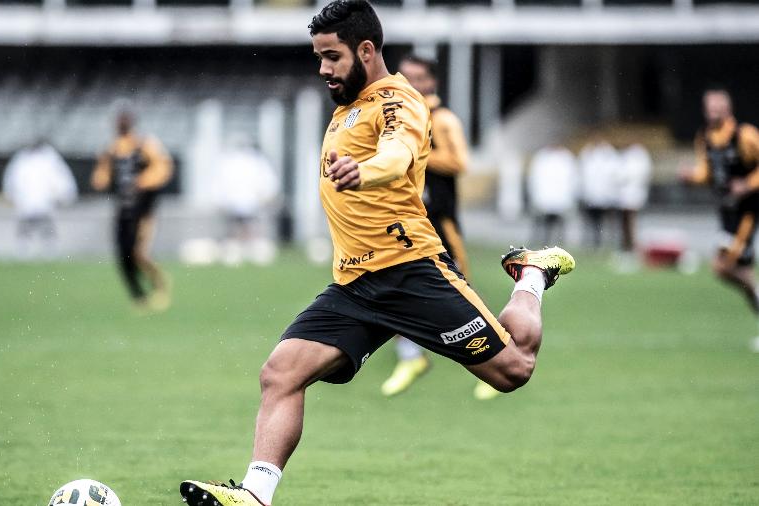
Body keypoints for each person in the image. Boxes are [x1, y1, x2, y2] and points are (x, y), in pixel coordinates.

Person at [179, 2, 575, 505]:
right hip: (355, 286)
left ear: (366, 50)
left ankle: (532, 275)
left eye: (332, 57)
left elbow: (398, 153)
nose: (323, 69)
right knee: (280, 373)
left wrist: (366, 172)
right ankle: (255, 496)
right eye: (318, 57)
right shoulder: (348, 107)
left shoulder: (398, 101)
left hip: (411, 273)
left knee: (513, 369)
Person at [379, 54, 476, 398]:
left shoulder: (442, 119)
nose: (411, 84)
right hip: (405, 222)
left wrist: (415, 151)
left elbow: (460, 161)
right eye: (405, 77)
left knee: (460, 293)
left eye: (418, 78)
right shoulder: (396, 118)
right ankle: (409, 357)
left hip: (440, 220)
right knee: (390, 285)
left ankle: (497, 359)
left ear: (431, 82)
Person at [681, 88, 759, 350]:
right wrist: (692, 176)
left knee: (723, 266)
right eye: (709, 107)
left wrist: (747, 185)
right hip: (727, 213)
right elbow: (707, 172)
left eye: (718, 107)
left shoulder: (744, 135)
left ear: (728, 109)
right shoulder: (704, 137)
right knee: (731, 268)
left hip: (747, 212)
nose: (713, 112)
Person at [91, 106, 174, 312]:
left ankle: (160, 285)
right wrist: (102, 178)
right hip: (123, 211)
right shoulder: (111, 150)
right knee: (123, 255)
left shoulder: (145, 144)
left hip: (143, 211)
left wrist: (142, 181)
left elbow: (163, 168)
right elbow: (101, 177)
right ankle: (139, 297)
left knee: (140, 253)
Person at [212, 135, 281, 266]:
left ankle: (248, 253)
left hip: (248, 202)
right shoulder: (232, 160)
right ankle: (236, 253)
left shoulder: (253, 160)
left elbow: (266, 181)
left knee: (248, 228)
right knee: (236, 230)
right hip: (238, 202)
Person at [2, 138, 78, 258]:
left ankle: (49, 249)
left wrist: (64, 194)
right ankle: (23, 250)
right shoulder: (22, 160)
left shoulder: (50, 159)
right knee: (25, 226)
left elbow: (60, 178)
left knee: (46, 226)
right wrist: (12, 194)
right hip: (26, 200)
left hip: (45, 200)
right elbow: (13, 179)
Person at [527, 143, 578, 248]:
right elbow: (534, 178)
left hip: (561, 199)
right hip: (544, 198)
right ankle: (540, 245)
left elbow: (573, 180)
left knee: (559, 227)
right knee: (542, 225)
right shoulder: (541, 157)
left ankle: (559, 247)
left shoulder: (566, 158)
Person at [615, 141, 652, 272]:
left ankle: (632, 252)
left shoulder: (639, 156)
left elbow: (636, 175)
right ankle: (627, 251)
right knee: (626, 225)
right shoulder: (627, 156)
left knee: (631, 225)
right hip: (625, 196)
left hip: (633, 196)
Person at [579, 135, 621, 249]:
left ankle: (610, 244)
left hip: (607, 197)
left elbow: (614, 175)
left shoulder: (610, 155)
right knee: (593, 222)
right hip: (592, 196)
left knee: (608, 222)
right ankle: (594, 244)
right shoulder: (588, 154)